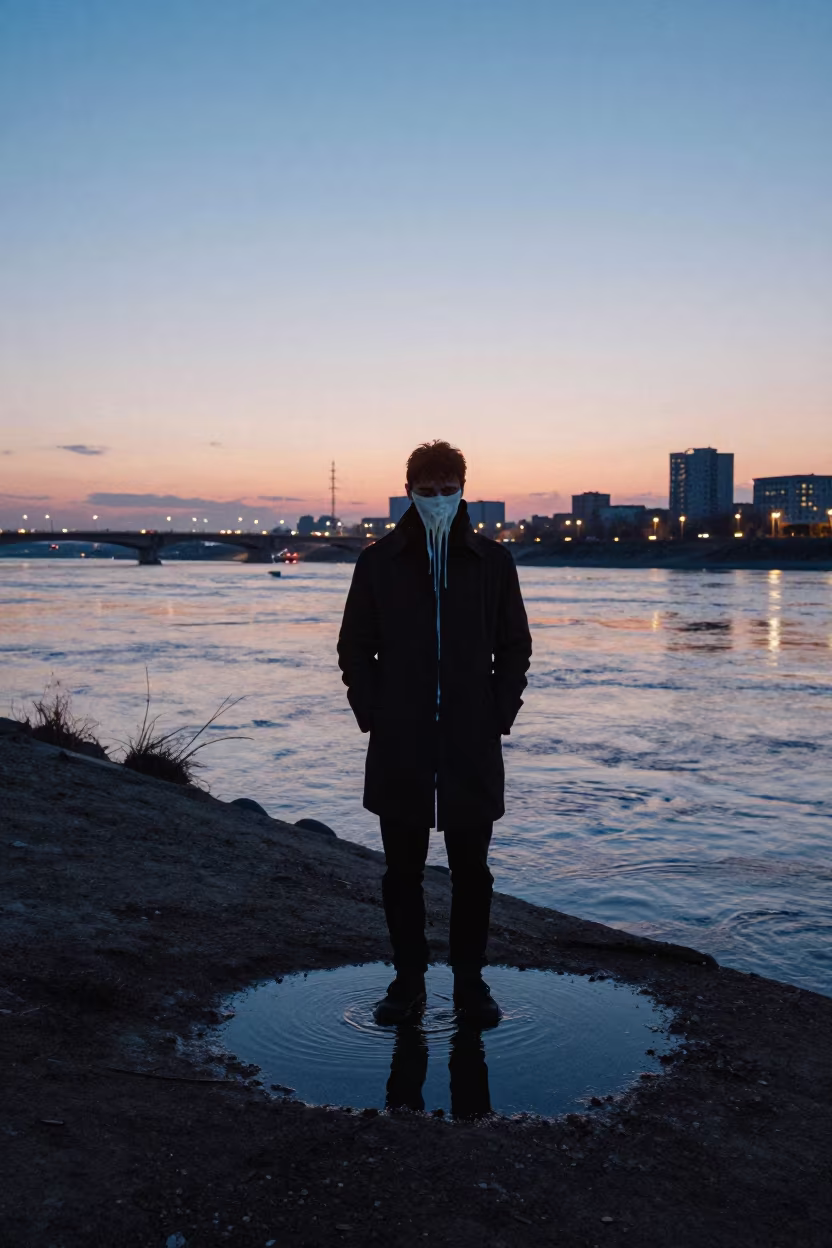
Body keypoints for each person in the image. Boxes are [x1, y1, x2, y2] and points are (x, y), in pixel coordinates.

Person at [337, 440, 532, 1026]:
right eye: (428, 491)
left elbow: (515, 647)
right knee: (402, 872)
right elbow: (354, 647)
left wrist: (498, 713)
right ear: (409, 493)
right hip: (401, 740)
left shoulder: (492, 562)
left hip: (472, 741)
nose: (439, 499)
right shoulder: (379, 562)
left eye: (449, 490)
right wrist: (374, 713)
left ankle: (471, 983)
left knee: (473, 873)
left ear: (464, 490)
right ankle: (408, 982)